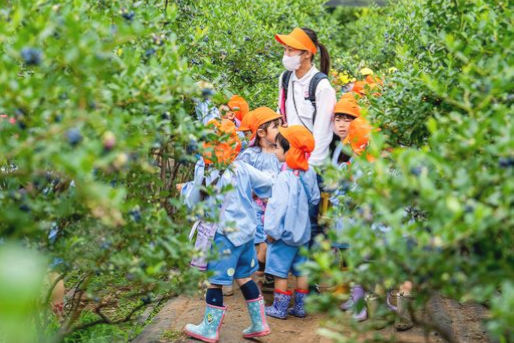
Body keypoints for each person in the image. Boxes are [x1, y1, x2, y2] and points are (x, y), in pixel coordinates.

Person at [182, 119, 273, 342]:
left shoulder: (206, 169)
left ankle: (210, 329)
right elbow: (268, 184)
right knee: (244, 277)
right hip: (246, 234)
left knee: (214, 281)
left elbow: (194, 200)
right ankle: (259, 323)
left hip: (223, 236)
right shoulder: (241, 166)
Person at [274, 27, 336, 247]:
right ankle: (287, 271)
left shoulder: (322, 86)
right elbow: (283, 116)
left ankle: (311, 276)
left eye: (292, 50)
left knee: (312, 220)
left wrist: (307, 169)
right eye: (286, 49)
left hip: (312, 165)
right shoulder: (285, 78)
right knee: (289, 215)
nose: (286, 54)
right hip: (290, 160)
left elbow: (323, 133)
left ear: (307, 54)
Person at [264, 125, 320, 319]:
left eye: (278, 147)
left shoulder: (284, 177)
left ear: (290, 151)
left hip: (283, 235)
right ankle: (300, 307)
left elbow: (277, 207)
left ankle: (279, 308)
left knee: (280, 271)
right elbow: (314, 199)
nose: (275, 151)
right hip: (303, 233)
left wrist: (271, 231)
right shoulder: (310, 172)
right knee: (301, 270)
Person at [236, 107, 282, 289]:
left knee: (272, 241)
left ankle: (266, 275)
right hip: (256, 207)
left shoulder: (281, 152)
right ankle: (258, 278)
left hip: (275, 205)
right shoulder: (250, 155)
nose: (280, 130)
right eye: (275, 126)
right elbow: (240, 177)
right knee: (262, 243)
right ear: (261, 133)